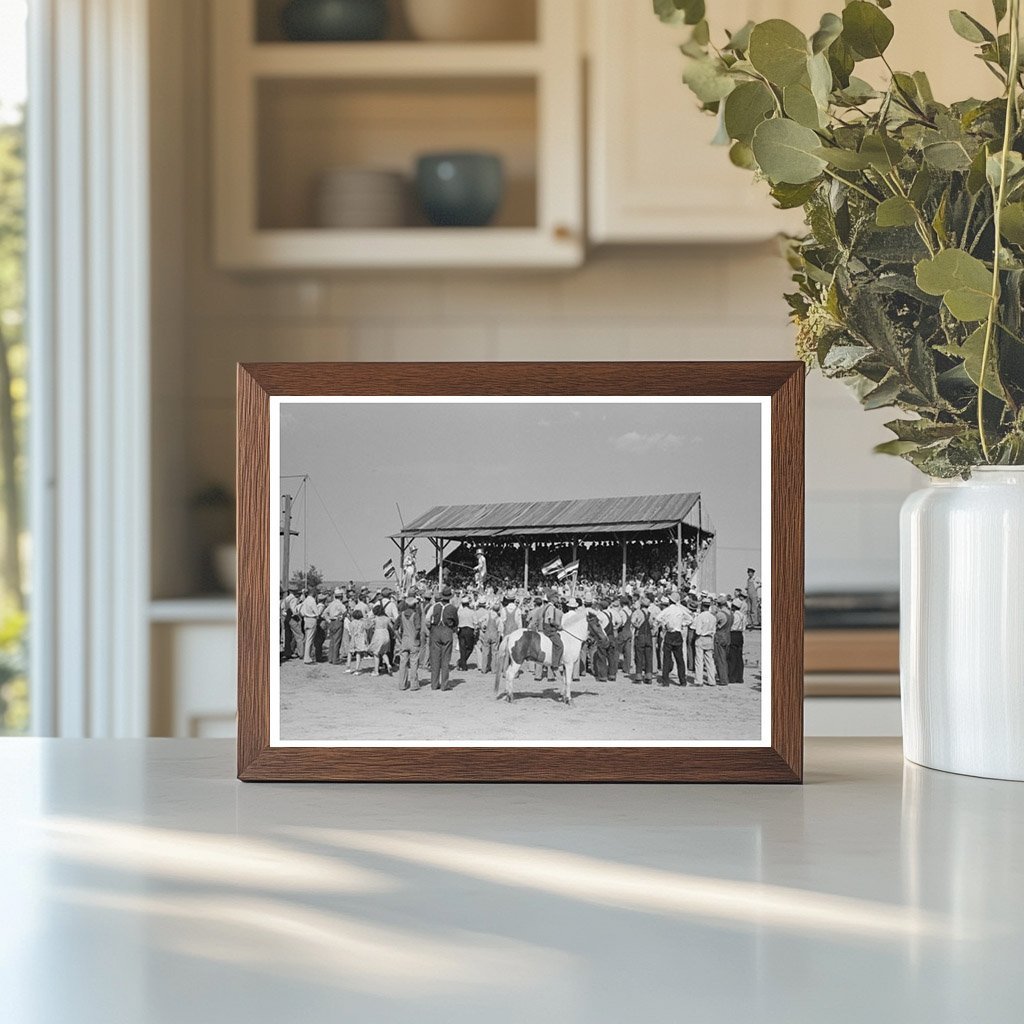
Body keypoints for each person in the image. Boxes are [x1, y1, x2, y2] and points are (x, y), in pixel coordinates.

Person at [657, 591, 691, 687]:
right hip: (678, 633)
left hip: (669, 633)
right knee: (680, 659)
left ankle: (665, 681)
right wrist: (683, 623)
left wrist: (665, 623)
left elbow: (658, 618)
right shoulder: (681, 610)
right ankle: (682, 680)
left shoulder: (667, 610)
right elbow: (690, 618)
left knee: (666, 658)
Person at [428, 585, 459, 691]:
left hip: (436, 630)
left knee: (435, 659)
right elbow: (456, 622)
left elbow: (429, 620)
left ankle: (434, 683)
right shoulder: (452, 608)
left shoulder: (435, 606)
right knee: (445, 659)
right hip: (447, 630)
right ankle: (444, 685)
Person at [395, 593, 423, 691]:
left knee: (403, 663)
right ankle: (413, 684)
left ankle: (402, 684)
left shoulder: (401, 615)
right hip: (413, 640)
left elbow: (395, 628)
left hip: (404, 640)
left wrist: (399, 638)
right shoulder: (415, 615)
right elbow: (418, 628)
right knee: (414, 662)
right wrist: (415, 638)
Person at [537, 589, 564, 681]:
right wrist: (558, 626)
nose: (558, 599)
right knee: (559, 645)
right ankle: (555, 664)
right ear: (553, 598)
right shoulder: (551, 608)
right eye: (557, 597)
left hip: (544, 628)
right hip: (549, 630)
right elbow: (551, 620)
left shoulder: (546, 606)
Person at [630, 594, 655, 685]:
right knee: (648, 656)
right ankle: (648, 676)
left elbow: (633, 622)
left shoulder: (637, 612)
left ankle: (639, 676)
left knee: (639, 656)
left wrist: (638, 626)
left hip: (640, 635)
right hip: (648, 636)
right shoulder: (650, 614)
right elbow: (652, 624)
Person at [693, 598, 718, 687]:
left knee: (699, 660)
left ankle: (699, 681)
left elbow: (698, 631)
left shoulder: (700, 616)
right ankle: (712, 680)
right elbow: (714, 630)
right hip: (709, 638)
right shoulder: (713, 617)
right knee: (710, 660)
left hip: (701, 637)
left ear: (702, 606)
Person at [298, 589, 322, 665]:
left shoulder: (305, 600)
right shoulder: (312, 601)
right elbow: (317, 613)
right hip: (312, 619)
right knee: (309, 640)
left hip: (305, 619)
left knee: (307, 639)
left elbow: (300, 610)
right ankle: (307, 658)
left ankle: (307, 656)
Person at [714, 595, 733, 688]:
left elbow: (714, 624)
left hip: (720, 637)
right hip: (728, 636)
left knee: (720, 659)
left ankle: (723, 679)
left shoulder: (720, 614)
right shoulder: (730, 613)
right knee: (725, 659)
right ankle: (725, 677)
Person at [323, 588, 346, 666]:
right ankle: (335, 659)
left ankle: (330, 658)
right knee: (337, 641)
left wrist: (328, 620)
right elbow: (345, 611)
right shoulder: (340, 604)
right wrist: (342, 617)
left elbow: (324, 613)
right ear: (341, 596)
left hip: (332, 622)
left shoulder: (331, 603)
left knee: (332, 641)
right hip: (337, 621)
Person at [477, 599, 502, 674]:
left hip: (487, 634)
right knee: (494, 653)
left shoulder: (488, 615)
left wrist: (482, 627)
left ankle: (484, 669)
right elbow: (500, 629)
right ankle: (493, 669)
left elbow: (480, 620)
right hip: (495, 635)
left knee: (485, 652)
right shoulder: (499, 618)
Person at [369, 603, 393, 676]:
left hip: (378, 634)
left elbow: (368, 626)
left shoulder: (375, 619)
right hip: (386, 634)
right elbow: (392, 627)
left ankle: (376, 671)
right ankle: (388, 664)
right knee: (383, 652)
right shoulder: (387, 618)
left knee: (376, 653)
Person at [728, 598, 748, 684]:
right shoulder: (743, 616)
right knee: (739, 657)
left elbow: (731, 625)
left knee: (732, 657)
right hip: (740, 635)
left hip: (733, 634)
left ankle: (732, 677)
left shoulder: (733, 615)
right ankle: (740, 677)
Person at [344, 606, 369, 674]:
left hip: (353, 638)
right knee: (358, 653)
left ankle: (348, 667)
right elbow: (365, 630)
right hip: (360, 639)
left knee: (350, 652)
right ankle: (357, 669)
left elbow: (350, 631)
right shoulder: (362, 623)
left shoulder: (351, 623)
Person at [456, 595, 477, 671]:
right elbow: (475, 622)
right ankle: (462, 663)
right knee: (470, 648)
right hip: (469, 630)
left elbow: (457, 621)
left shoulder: (459, 612)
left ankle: (462, 663)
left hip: (461, 630)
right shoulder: (472, 612)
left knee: (462, 648)